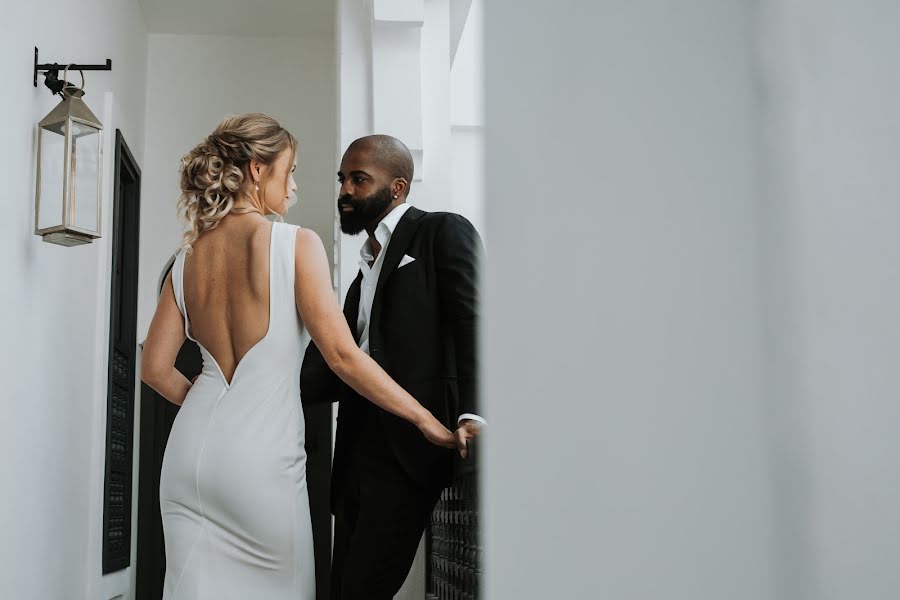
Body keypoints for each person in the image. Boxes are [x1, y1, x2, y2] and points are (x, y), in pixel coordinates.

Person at [140, 115, 455, 600]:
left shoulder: (186, 259)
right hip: (261, 463)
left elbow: (155, 369)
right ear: (256, 171)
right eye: (290, 171)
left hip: (188, 458)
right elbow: (342, 357)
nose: (294, 187)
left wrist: (220, 412)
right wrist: (424, 419)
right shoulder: (295, 244)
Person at [300, 134, 485, 600]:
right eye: (342, 179)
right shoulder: (364, 268)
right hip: (356, 451)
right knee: (342, 586)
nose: (345, 190)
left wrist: (473, 414)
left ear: (398, 188)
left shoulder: (442, 231)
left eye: (359, 180)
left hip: (413, 448)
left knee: (366, 587)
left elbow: (475, 322)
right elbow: (341, 360)